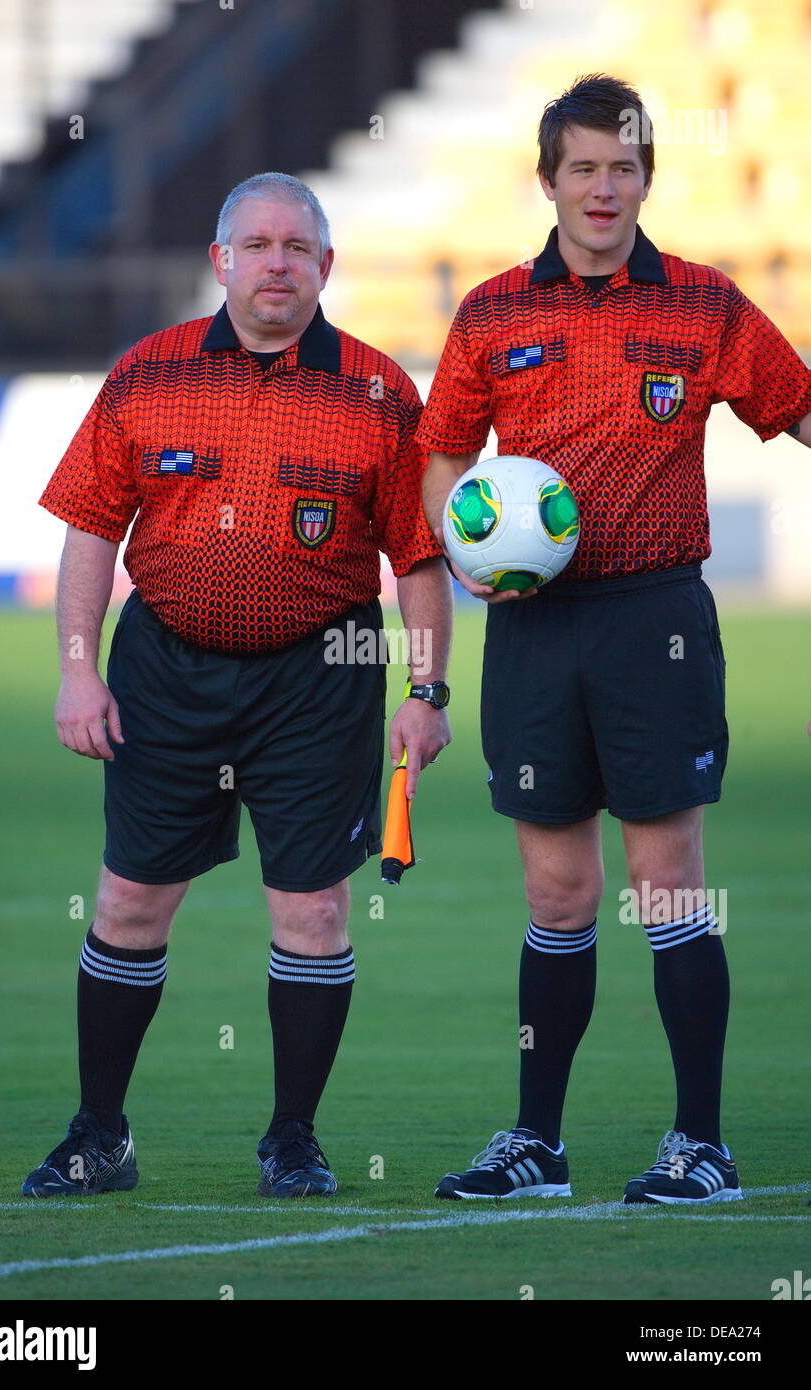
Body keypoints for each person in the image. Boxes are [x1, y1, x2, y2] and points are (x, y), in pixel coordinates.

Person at [418, 74, 811, 1204]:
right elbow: (443, 451)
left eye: (622, 167)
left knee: (666, 884)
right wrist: (464, 540)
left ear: (647, 177)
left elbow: (794, 407)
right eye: (581, 168)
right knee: (553, 895)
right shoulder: (491, 313)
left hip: (654, 622)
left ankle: (701, 1145)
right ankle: (536, 1144)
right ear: (546, 180)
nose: (602, 188)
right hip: (533, 628)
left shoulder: (703, 306)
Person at [26, 172, 452, 1200]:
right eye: (256, 245)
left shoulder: (379, 390)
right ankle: (99, 1135)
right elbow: (91, 526)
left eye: (296, 248)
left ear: (324, 266)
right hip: (165, 672)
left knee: (313, 914)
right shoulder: (148, 372)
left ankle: (292, 1139)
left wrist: (426, 692)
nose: (276, 263)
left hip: (320, 680)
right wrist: (77, 673)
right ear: (220, 260)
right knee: (128, 900)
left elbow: (421, 559)